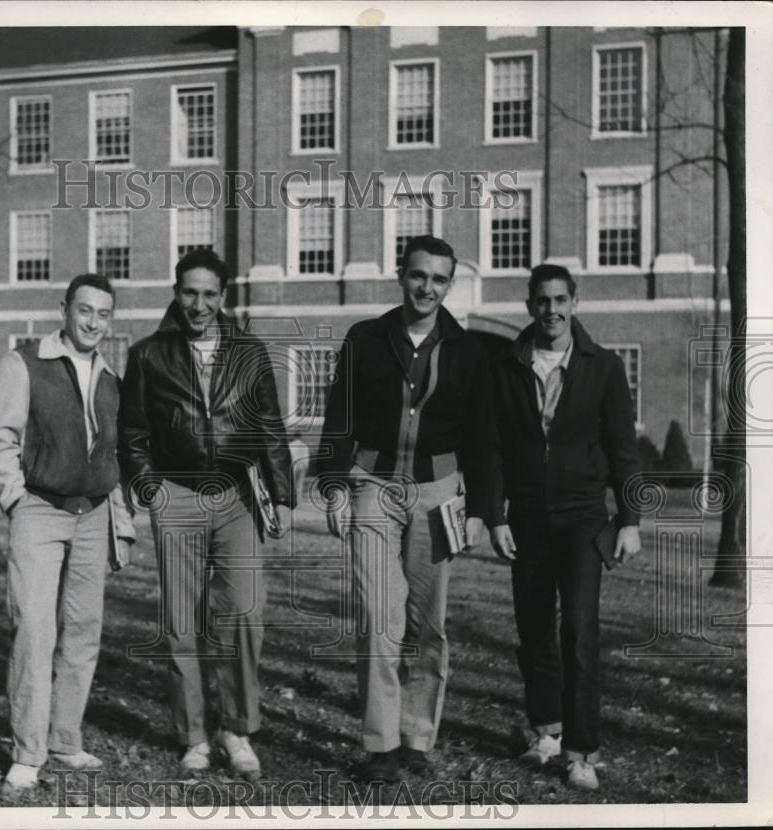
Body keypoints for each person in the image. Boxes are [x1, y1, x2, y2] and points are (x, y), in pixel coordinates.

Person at [316, 235, 495, 782]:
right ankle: (381, 745)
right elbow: (339, 414)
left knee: (428, 624)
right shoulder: (367, 338)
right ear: (402, 274)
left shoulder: (467, 350)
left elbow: (484, 438)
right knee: (380, 619)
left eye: (439, 279)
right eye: (419, 275)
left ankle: (417, 736)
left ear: (449, 284)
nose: (427, 288)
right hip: (373, 487)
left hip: (438, 493)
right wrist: (334, 484)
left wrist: (481, 508)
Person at [119, 248, 293, 779]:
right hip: (177, 494)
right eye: (190, 293)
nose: (199, 304)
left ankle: (236, 729)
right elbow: (133, 433)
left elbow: (268, 425)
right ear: (176, 292)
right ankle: (193, 734)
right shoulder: (149, 354)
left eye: (209, 294)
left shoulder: (249, 351)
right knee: (182, 621)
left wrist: (282, 493)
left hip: (238, 496)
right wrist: (151, 489)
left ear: (223, 297)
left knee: (244, 612)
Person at [488, 263, 641, 792]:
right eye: (541, 301)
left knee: (579, 632)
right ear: (529, 305)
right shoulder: (506, 365)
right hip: (527, 517)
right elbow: (492, 449)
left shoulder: (604, 366)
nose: (551, 310)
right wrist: (495, 514)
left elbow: (624, 448)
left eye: (560, 300)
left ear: (575, 302)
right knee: (534, 631)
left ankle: (581, 751)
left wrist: (629, 519)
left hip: (582, 518)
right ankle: (545, 731)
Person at [0, 273, 135, 795]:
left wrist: (121, 521)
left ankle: (66, 739)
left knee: (83, 629)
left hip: (94, 515)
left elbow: (110, 456)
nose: (93, 322)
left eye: (103, 314)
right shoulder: (23, 362)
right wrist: (15, 498)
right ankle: (28, 753)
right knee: (34, 629)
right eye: (85, 310)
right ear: (65, 309)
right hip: (40, 511)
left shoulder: (112, 377)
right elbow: (0, 439)